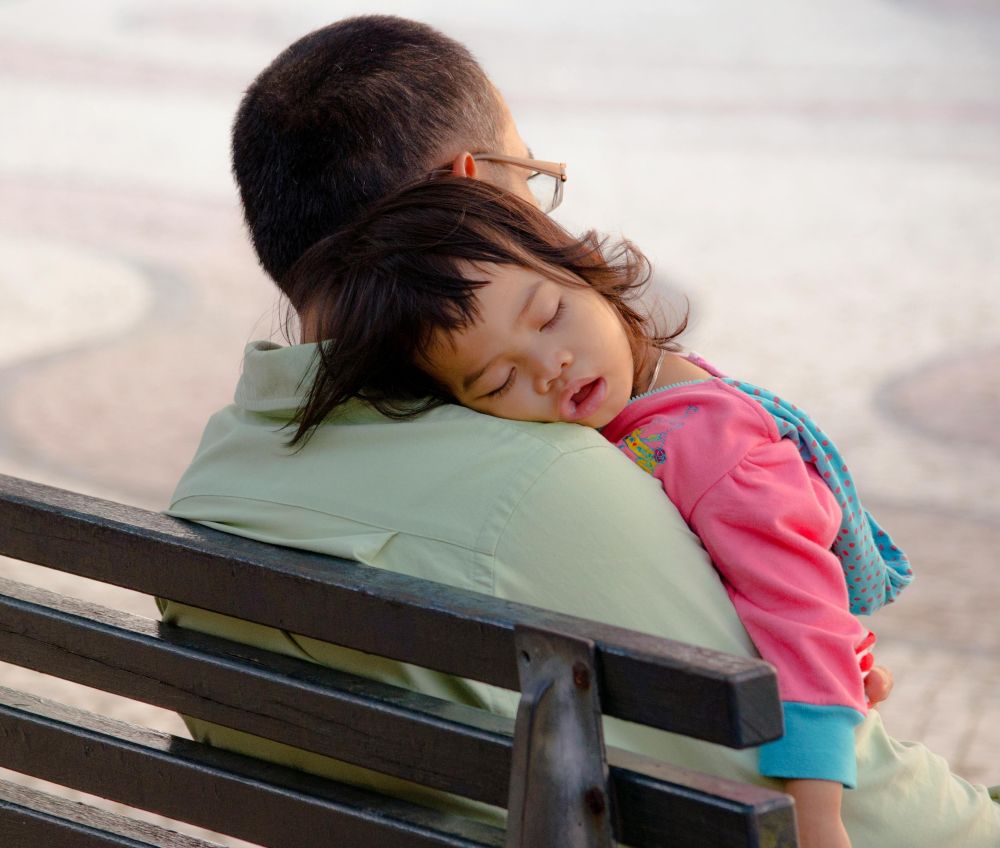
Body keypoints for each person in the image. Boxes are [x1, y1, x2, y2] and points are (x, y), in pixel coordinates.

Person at [162, 14, 1000, 848]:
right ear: (475, 187)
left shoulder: (216, 473)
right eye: (529, 177)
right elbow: (875, 812)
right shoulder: (542, 483)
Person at [275, 175, 918, 843]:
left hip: (806, 755)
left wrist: (817, 814)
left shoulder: (709, 445)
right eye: (499, 380)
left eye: (550, 315)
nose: (550, 365)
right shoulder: (631, 401)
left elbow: (801, 614)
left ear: (588, 272)